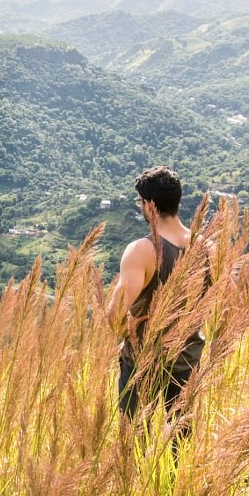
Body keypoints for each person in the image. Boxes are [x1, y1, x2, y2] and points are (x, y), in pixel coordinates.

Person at [107, 166, 206, 421]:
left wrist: (127, 329)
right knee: (180, 447)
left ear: (149, 205)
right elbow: (229, 298)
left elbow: (114, 314)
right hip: (188, 361)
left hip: (142, 364)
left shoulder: (142, 251)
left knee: (135, 446)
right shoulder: (208, 248)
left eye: (140, 201)